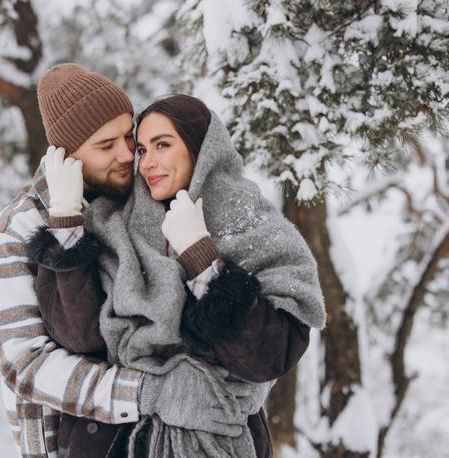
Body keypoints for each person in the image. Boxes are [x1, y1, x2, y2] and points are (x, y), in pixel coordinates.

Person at [0, 66, 254, 458]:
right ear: (66, 155)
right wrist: (150, 391)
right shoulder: (13, 233)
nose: (127, 155)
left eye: (128, 136)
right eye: (106, 146)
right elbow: (29, 365)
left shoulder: (149, 193)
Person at [27, 94, 327, 457]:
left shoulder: (254, 224)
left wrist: (204, 261)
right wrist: (64, 216)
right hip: (118, 439)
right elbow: (78, 336)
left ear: (202, 149)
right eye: (141, 150)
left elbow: (269, 357)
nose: (147, 162)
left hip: (223, 434)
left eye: (162, 145)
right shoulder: (112, 223)